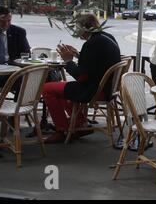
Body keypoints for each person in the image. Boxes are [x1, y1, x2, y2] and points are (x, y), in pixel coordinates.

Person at [42, 14, 121, 143]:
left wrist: (68, 61)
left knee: (47, 89)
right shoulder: (106, 37)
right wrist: (79, 55)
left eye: (76, 27)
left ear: (83, 28)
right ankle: (80, 123)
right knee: (62, 89)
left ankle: (62, 130)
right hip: (108, 88)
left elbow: (82, 77)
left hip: (94, 90)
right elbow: (97, 63)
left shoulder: (91, 44)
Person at [0, 7, 30, 88]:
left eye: (9, 21)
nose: (6, 24)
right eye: (2, 21)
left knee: (26, 79)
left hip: (11, 73)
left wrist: (10, 64)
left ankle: (19, 101)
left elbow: (26, 54)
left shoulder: (18, 32)